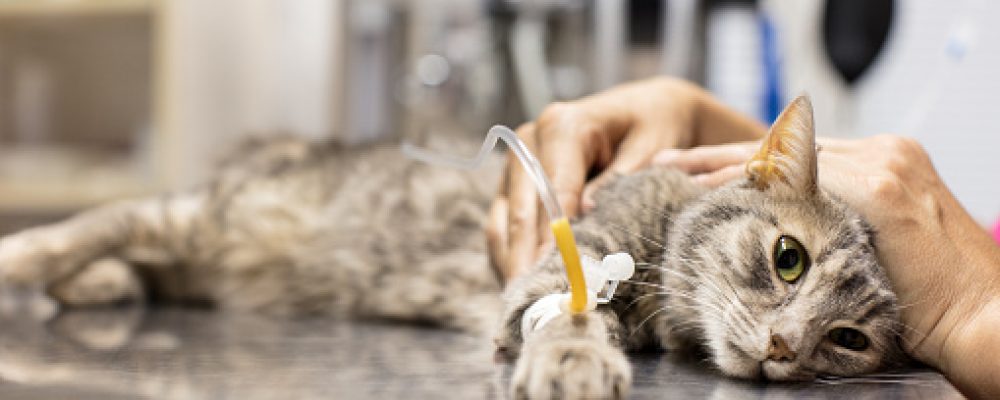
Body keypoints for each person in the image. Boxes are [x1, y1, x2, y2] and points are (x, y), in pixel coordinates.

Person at [485, 77, 1000, 400]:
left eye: (849, 339)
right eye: (789, 260)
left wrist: (975, 306)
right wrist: (694, 108)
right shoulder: (657, 204)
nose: (788, 342)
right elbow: (547, 290)